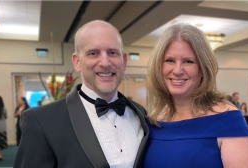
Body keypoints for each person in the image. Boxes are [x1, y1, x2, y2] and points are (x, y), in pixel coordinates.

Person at [14, 20, 149, 168]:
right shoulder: (41, 121)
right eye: (93, 53)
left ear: (123, 61)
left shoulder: (140, 113)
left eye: (112, 52)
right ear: (77, 62)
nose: (105, 62)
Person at [144, 23, 248, 168]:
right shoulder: (152, 120)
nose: (177, 70)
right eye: (170, 60)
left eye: (188, 61)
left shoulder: (228, 120)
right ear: (159, 66)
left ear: (203, 69)